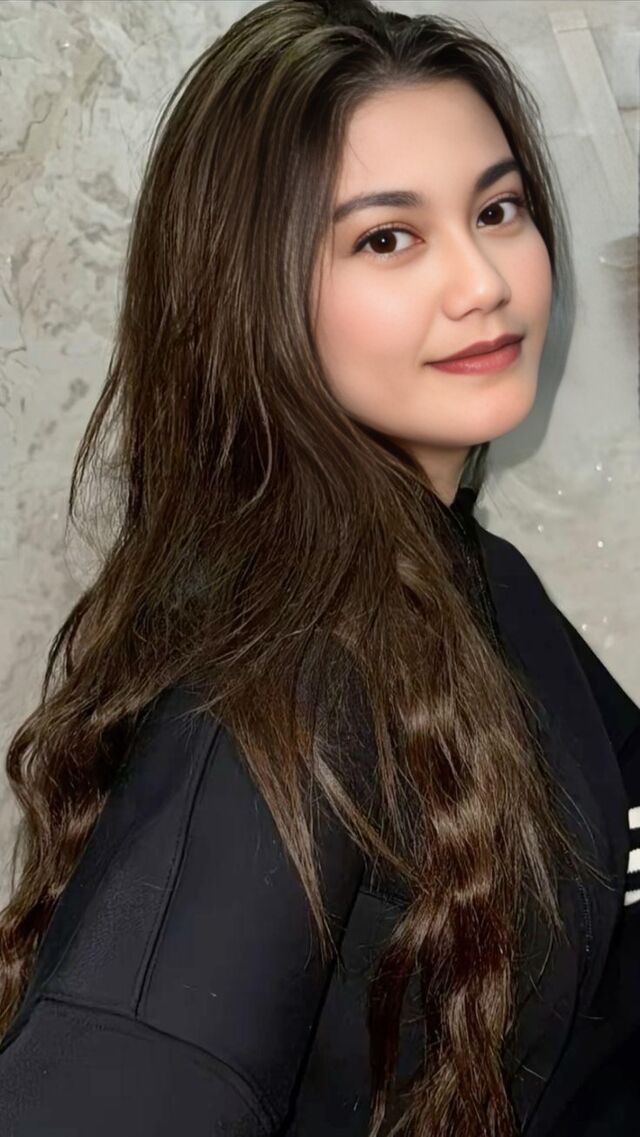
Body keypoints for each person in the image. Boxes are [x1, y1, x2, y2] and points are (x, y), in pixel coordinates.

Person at [0, 1, 637, 1134]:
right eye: (386, 238)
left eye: (497, 210)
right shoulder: (281, 680)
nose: (481, 281)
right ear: (252, 294)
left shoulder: (478, 579)